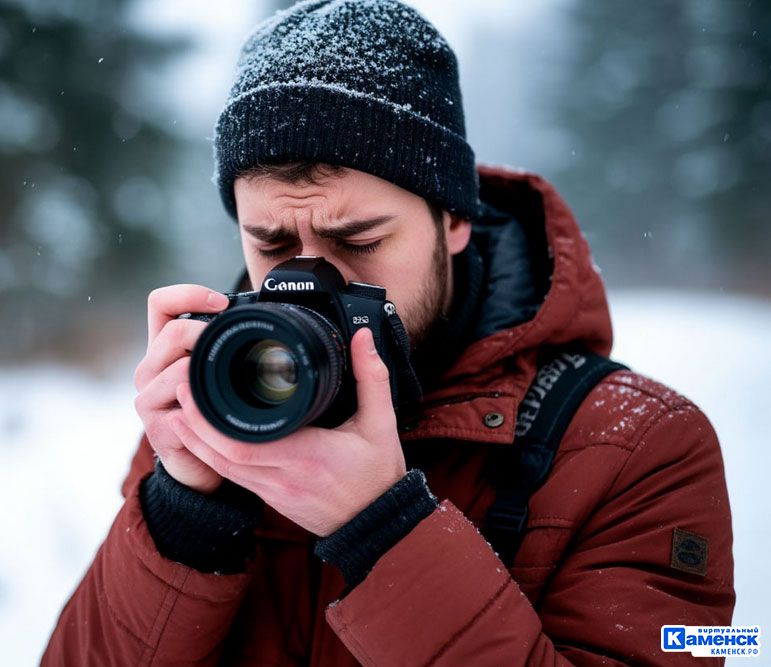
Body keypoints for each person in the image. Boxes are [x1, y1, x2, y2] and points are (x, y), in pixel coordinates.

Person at [42, 1, 735, 664]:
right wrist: (183, 513)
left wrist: (386, 529)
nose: (317, 276)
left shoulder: (640, 447)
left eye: (359, 238)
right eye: (272, 242)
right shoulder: (222, 404)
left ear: (453, 218)